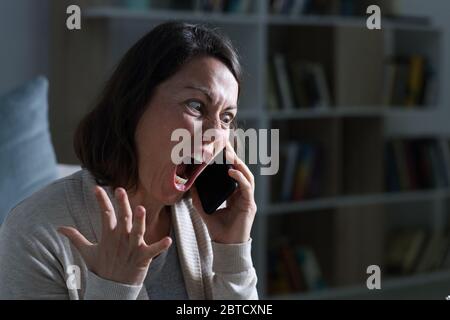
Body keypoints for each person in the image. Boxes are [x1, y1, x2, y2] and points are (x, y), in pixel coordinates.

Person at [0, 22, 258, 300]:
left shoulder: (207, 218)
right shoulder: (34, 230)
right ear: (135, 106)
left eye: (226, 118)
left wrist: (232, 251)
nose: (216, 134)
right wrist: (112, 287)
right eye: (196, 105)